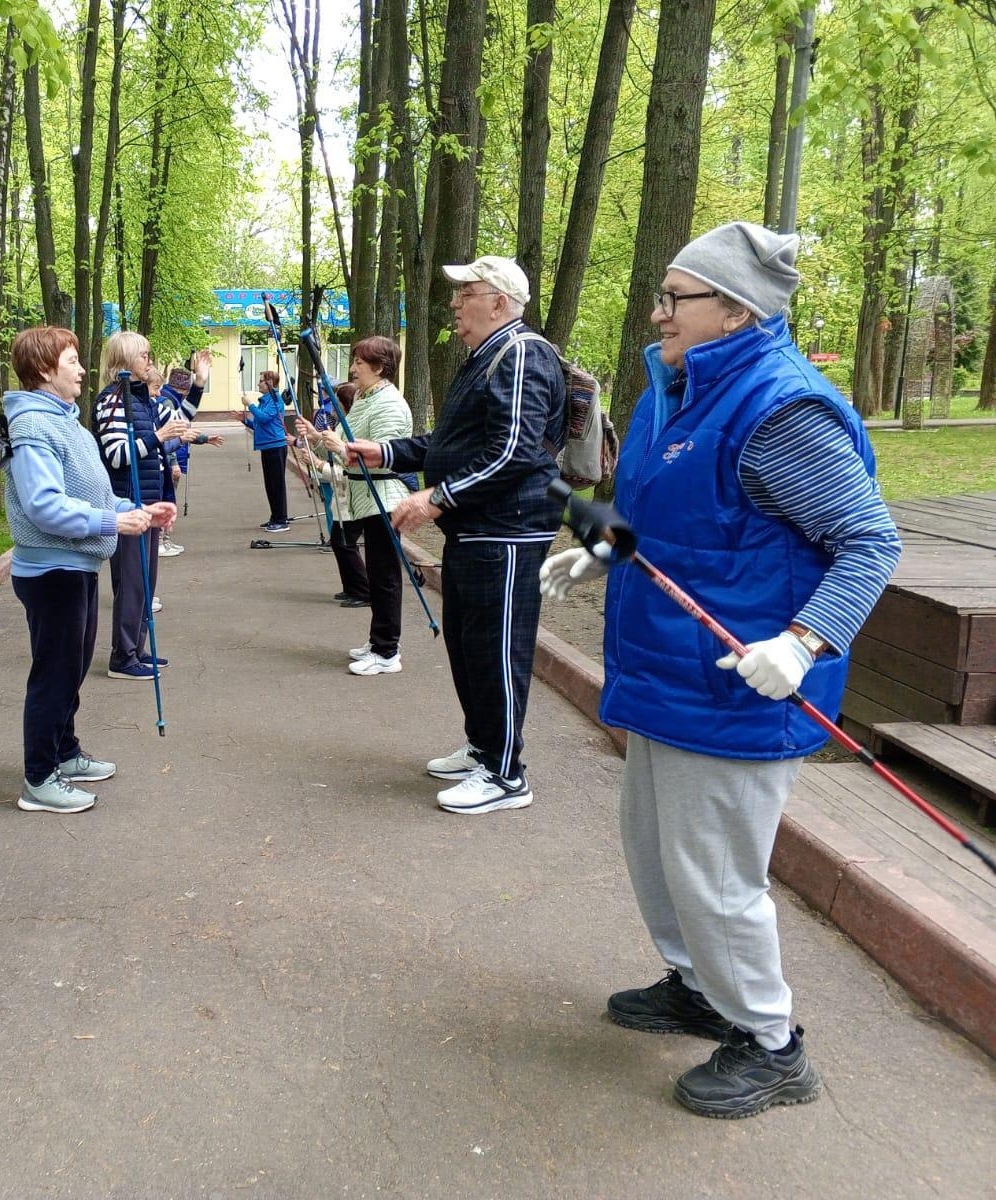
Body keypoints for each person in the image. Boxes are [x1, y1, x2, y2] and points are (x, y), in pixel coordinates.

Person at [539, 222, 900, 1119]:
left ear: (736, 310)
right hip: (669, 677)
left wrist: (805, 643)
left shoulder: (779, 408)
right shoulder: (680, 388)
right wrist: (607, 547)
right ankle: (699, 988)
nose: (656, 314)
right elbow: (670, 516)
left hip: (741, 688)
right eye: (662, 295)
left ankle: (773, 1046)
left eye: (675, 299)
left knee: (716, 876)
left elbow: (868, 543)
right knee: (657, 856)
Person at [342, 257, 565, 806]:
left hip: (508, 530)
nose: (454, 304)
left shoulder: (522, 353)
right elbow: (450, 443)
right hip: (478, 530)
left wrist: (437, 497)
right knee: (468, 648)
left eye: (465, 294)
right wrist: (387, 452)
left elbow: (514, 452)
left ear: (498, 302)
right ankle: (483, 747)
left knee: (497, 649)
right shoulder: (484, 358)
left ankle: (506, 774)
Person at [3, 326, 173, 814]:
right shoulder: (34, 426)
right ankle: (39, 778)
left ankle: (66, 752)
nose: (81, 370)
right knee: (53, 676)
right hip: (50, 570)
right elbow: (44, 507)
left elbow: (94, 496)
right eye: (72, 361)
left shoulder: (69, 423)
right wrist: (113, 520)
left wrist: (140, 510)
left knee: (72, 669)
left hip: (76, 564)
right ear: (43, 370)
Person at [302, 336, 412, 675]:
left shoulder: (390, 404)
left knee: (385, 577)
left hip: (385, 499)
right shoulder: (365, 398)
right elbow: (342, 442)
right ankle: (378, 642)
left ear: (379, 368)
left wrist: (338, 447)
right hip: (365, 498)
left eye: (359, 364)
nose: (352, 369)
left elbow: (382, 457)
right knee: (379, 575)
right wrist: (318, 438)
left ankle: (387, 651)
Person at [93, 330, 191, 680]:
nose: (149, 360)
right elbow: (118, 455)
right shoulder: (112, 402)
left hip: (149, 502)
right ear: (124, 362)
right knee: (132, 582)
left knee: (146, 583)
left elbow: (176, 428)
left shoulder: (142, 400)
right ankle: (122, 656)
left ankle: (137, 648)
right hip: (128, 503)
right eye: (143, 355)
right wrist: (158, 438)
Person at [289, 381, 369, 607]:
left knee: (345, 542)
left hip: (351, 495)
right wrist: (314, 436)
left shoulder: (353, 427)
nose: (331, 408)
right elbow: (332, 452)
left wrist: (318, 464)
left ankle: (363, 591)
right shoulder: (344, 425)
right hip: (342, 495)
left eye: (335, 403)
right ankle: (352, 588)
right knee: (339, 541)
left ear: (344, 404)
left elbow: (347, 467)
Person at [157, 356, 224, 559]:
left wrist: (204, 439)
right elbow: (168, 434)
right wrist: (174, 462)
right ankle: (161, 540)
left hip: (173, 455)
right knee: (166, 500)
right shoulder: (168, 402)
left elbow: (181, 430)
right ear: (183, 389)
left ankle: (165, 540)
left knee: (168, 500)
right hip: (169, 460)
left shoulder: (171, 400)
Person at [242, 369, 290, 531]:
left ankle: (282, 519)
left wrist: (250, 404)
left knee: (277, 484)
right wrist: (244, 420)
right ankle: (275, 516)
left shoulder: (275, 400)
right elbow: (259, 424)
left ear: (270, 383)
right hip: (268, 446)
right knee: (270, 484)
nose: (258, 383)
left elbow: (263, 418)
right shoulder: (266, 401)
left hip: (276, 446)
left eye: (261, 380)